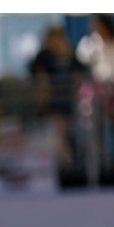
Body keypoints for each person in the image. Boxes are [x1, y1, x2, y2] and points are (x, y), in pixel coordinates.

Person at [75, 14, 114, 180]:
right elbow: (81, 63)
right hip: (97, 95)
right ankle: (99, 169)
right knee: (95, 130)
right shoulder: (90, 43)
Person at [28, 25, 88, 180]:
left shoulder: (68, 55)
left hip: (66, 103)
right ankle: (68, 167)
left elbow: (81, 73)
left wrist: (75, 91)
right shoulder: (45, 56)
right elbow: (38, 76)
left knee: (62, 136)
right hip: (52, 103)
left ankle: (69, 168)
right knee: (59, 137)